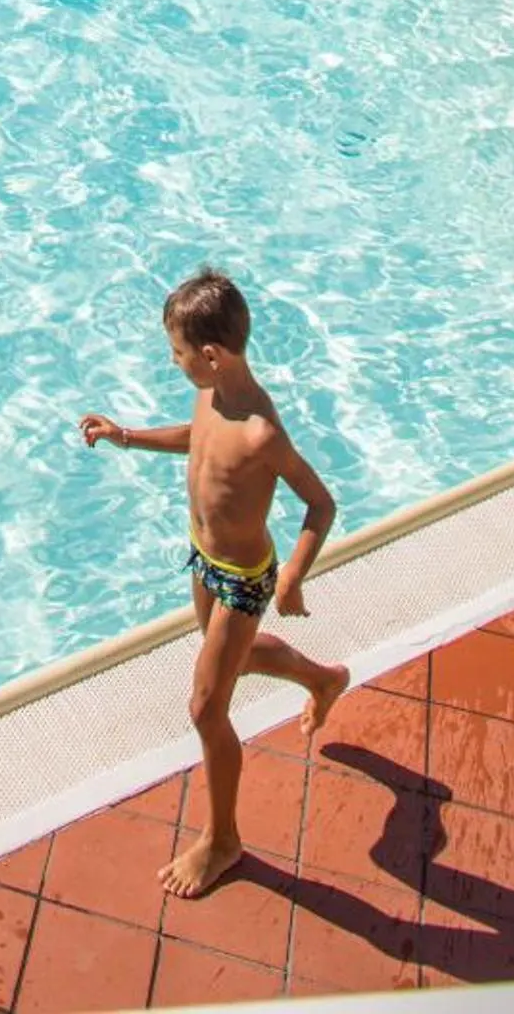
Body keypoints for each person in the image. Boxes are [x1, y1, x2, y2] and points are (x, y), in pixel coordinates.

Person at [79, 270, 346, 899]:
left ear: (210, 355)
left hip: (244, 579)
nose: (172, 363)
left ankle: (224, 840)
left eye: (175, 354)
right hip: (202, 559)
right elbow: (197, 443)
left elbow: (321, 505)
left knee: (206, 706)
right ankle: (322, 678)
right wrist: (127, 437)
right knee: (232, 661)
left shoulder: (263, 432)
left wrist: (294, 577)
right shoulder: (210, 398)